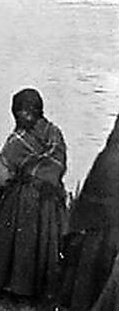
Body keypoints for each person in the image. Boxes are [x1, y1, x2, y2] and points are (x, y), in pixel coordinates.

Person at [0, 88, 67, 300]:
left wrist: (7, 185)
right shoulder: (54, 132)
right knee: (43, 243)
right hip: (49, 199)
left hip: (21, 198)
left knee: (16, 241)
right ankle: (40, 289)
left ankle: (13, 286)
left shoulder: (19, 139)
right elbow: (59, 166)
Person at [58, 113, 119, 310]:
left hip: (99, 228)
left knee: (90, 273)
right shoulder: (112, 157)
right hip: (108, 229)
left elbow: (90, 198)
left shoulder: (110, 156)